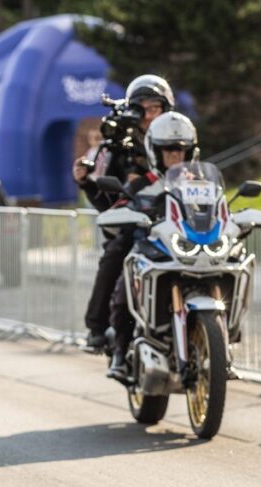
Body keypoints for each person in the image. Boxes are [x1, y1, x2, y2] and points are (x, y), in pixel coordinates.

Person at [74, 74, 174, 351]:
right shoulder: (121, 149)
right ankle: (98, 326)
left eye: (155, 108)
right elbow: (106, 203)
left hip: (176, 222)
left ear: (167, 109)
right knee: (118, 250)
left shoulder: (179, 142)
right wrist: (86, 182)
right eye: (142, 108)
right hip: (138, 224)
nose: (149, 115)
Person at [106, 111, 199, 380]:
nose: (175, 156)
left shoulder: (199, 185)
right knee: (124, 290)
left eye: (180, 150)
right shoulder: (141, 185)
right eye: (168, 150)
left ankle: (216, 345)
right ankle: (121, 354)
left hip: (189, 251)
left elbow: (217, 211)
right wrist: (125, 216)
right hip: (150, 250)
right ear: (155, 152)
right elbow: (119, 208)